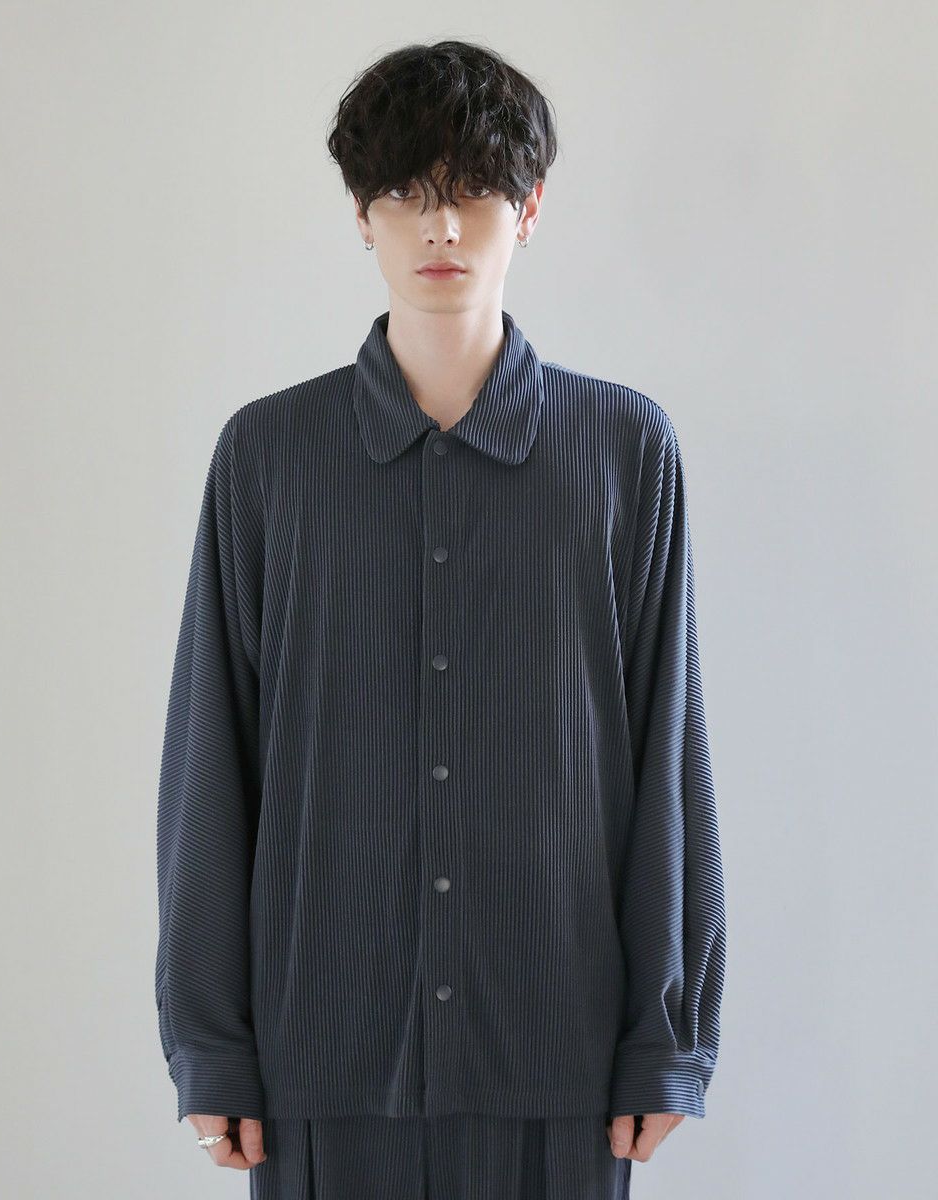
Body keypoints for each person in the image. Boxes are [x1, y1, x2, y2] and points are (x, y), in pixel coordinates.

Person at [154, 38, 726, 1200]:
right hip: (323, 1058)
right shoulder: (269, 457)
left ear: (530, 208)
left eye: (471, 191)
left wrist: (664, 1042)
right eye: (405, 193)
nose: (441, 227)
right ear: (360, 216)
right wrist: (210, 1042)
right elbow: (213, 758)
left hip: (558, 1060)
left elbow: (665, 753)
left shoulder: (623, 452)